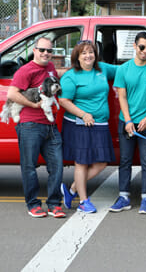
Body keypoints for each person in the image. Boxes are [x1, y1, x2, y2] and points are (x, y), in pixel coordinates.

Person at [7, 37, 66, 218]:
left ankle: (54, 204)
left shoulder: (49, 68)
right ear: (34, 50)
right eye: (42, 50)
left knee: (57, 166)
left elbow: (55, 81)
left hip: (50, 126)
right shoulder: (25, 71)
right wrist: (33, 106)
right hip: (30, 125)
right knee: (30, 167)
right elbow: (12, 93)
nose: (46, 53)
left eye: (49, 51)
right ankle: (33, 204)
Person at [108, 32, 146, 214]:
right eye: (142, 47)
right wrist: (128, 120)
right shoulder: (124, 69)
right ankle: (124, 197)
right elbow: (122, 96)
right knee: (125, 160)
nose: (145, 51)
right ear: (134, 46)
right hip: (127, 123)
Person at [59, 40, 117, 214]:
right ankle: (84, 201)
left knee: (101, 162)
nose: (88, 56)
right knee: (82, 162)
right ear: (77, 56)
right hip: (79, 124)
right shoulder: (71, 76)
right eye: (83, 53)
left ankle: (73, 189)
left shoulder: (102, 69)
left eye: (91, 52)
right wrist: (83, 114)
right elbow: (63, 101)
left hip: (100, 124)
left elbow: (126, 69)